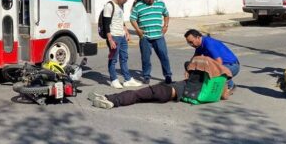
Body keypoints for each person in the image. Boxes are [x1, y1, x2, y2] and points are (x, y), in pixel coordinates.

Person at [87, 56, 233, 109]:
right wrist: (228, 88)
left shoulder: (198, 79)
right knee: (139, 97)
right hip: (168, 91)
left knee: (138, 95)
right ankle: (108, 98)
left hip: (167, 91)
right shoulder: (210, 81)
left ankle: (112, 100)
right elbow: (224, 95)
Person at [102, 0, 142, 89]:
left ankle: (127, 79)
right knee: (113, 59)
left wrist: (127, 32)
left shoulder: (121, 5)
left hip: (122, 35)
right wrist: (110, 39)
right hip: (114, 36)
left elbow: (121, 20)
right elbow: (106, 24)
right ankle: (114, 79)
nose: (125, 1)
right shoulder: (109, 6)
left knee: (124, 58)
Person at [130, 0, 172, 84]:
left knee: (164, 56)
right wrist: (138, 30)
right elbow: (132, 19)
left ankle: (168, 75)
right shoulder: (138, 6)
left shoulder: (160, 3)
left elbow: (166, 14)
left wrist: (165, 26)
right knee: (145, 58)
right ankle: (146, 76)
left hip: (159, 36)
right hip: (145, 38)